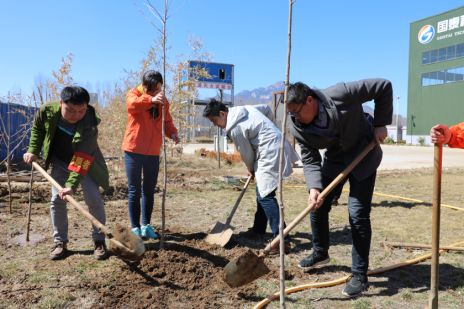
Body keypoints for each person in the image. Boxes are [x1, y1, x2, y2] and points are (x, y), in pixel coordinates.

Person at [286, 79, 393, 297]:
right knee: (317, 205)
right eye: (291, 114)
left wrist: (381, 123)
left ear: (310, 101)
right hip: (335, 161)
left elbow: (383, 86)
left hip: (365, 155)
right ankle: (320, 251)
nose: (295, 117)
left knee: (357, 214)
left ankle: (360, 274)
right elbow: (310, 158)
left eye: (297, 112)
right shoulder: (297, 126)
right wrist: (314, 187)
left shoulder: (341, 94)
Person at [23, 86, 109, 261]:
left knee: (94, 199)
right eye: (71, 110)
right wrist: (33, 149)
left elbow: (83, 156)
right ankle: (60, 242)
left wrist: (71, 185)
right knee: (57, 200)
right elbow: (38, 130)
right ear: (61, 103)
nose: (76, 115)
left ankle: (99, 240)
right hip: (60, 162)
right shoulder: (47, 111)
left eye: (81, 111)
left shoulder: (90, 123)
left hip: (86, 164)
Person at [203, 99, 299, 254]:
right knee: (262, 191)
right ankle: (259, 229)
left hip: (269, 151)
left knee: (265, 196)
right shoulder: (245, 109)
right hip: (273, 145)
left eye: (214, 120)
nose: (215, 124)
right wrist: (272, 128)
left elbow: (246, 153)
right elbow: (267, 109)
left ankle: (282, 239)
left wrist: (250, 169)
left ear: (222, 113)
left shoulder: (235, 128)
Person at [122, 70, 179, 240]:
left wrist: (173, 133)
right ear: (145, 86)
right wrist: (150, 100)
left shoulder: (162, 100)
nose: (157, 93)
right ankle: (135, 228)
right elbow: (132, 106)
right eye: (153, 90)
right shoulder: (134, 94)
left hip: (153, 151)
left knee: (149, 189)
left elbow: (166, 121)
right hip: (133, 149)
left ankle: (146, 225)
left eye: (159, 89)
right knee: (134, 189)